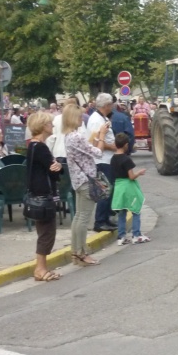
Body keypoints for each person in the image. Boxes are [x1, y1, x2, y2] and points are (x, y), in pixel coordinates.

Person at [64, 104, 105, 265]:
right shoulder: (76, 137)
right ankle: (82, 253)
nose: (82, 119)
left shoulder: (68, 136)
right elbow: (98, 152)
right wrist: (101, 135)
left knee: (78, 216)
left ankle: (76, 252)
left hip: (78, 180)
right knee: (84, 218)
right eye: (80, 116)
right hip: (87, 180)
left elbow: (84, 150)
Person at [26, 112, 62, 281]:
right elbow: (54, 170)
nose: (52, 126)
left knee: (44, 231)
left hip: (35, 193)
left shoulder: (32, 146)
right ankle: (40, 269)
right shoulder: (41, 147)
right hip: (43, 194)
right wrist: (59, 166)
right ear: (43, 126)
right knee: (47, 232)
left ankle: (42, 267)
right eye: (50, 123)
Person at [111, 132, 150, 246]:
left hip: (118, 186)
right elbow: (131, 176)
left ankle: (121, 236)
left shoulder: (113, 158)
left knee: (122, 212)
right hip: (128, 186)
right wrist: (139, 172)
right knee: (135, 210)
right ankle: (136, 235)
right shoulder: (126, 159)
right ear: (126, 145)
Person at [86, 93, 117, 232]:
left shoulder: (101, 117)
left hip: (107, 159)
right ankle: (100, 221)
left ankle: (105, 218)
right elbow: (94, 142)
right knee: (104, 190)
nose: (112, 107)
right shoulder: (96, 120)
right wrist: (112, 146)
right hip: (101, 160)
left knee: (108, 189)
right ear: (106, 105)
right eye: (111, 104)